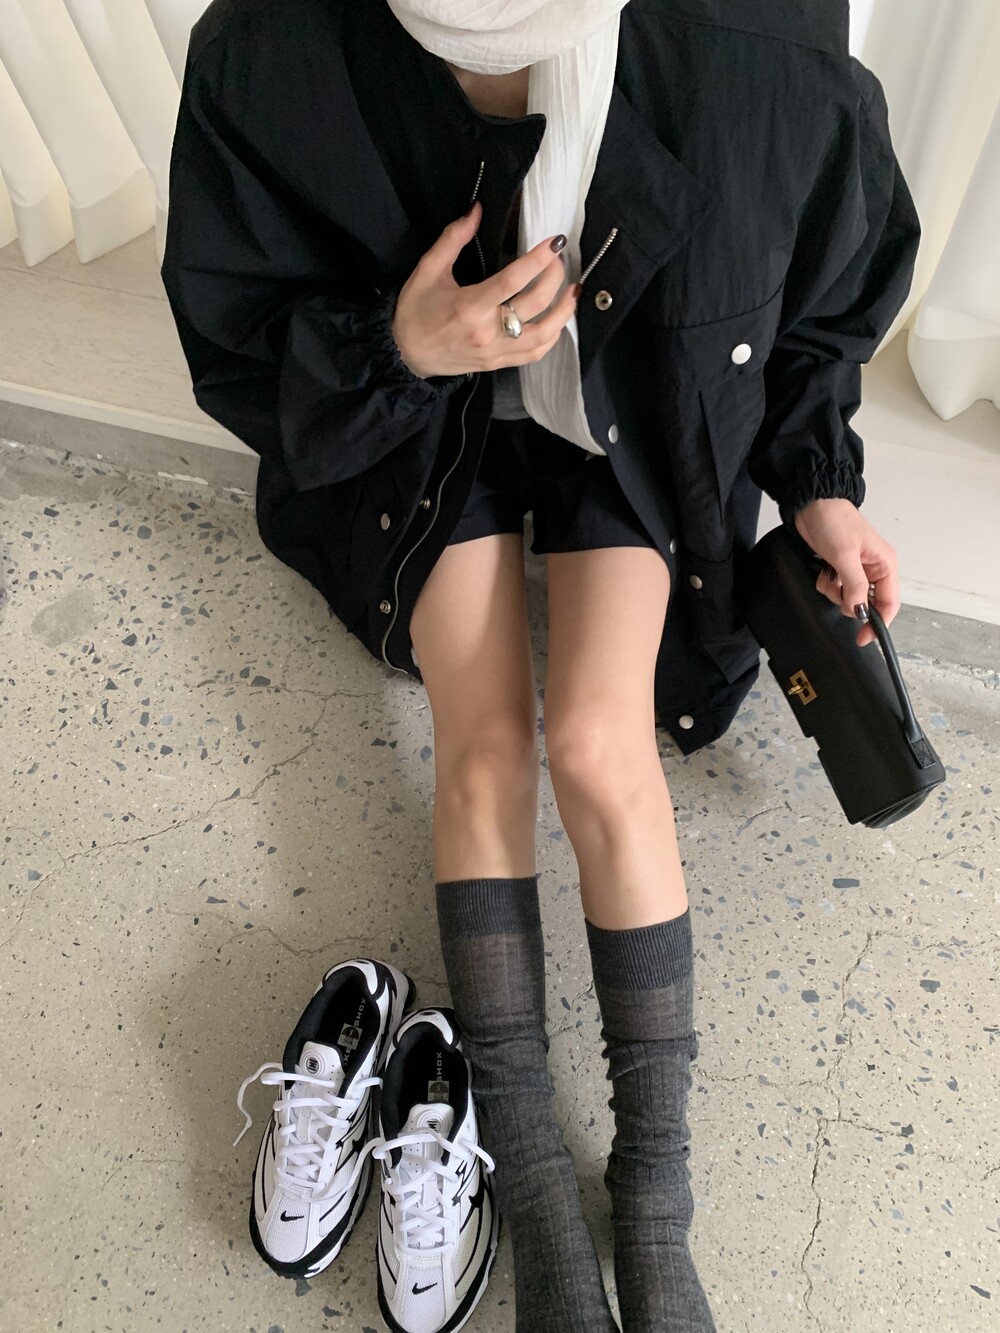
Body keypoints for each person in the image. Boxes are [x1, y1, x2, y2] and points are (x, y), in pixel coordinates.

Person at [160, 1, 920, 1329]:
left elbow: (817, 295)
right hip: (418, 421)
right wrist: (402, 348)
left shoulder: (764, 48)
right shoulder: (268, 48)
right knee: (487, 748)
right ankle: (530, 1176)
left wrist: (820, 485)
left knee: (600, 744)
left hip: (631, 407)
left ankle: (655, 1194)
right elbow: (235, 335)